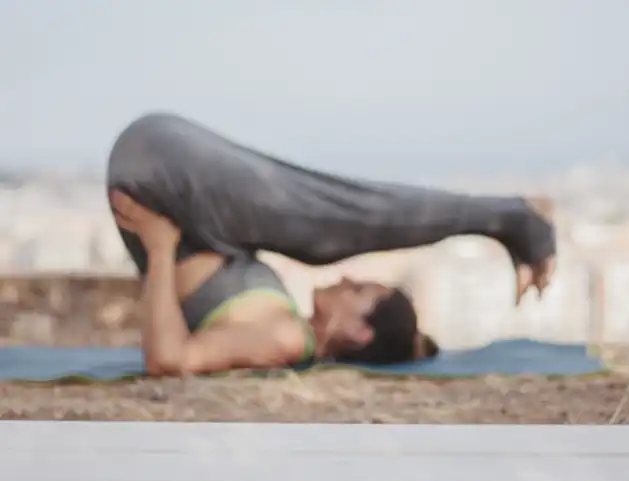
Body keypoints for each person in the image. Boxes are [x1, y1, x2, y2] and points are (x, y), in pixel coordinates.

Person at [107, 113, 556, 376]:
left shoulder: (284, 340)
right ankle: (509, 217)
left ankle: (514, 217)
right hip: (170, 167)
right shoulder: (291, 327)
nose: (346, 279)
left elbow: (170, 360)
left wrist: (160, 247)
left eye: (360, 292)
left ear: (360, 332)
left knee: (331, 222)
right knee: (324, 219)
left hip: (157, 176)